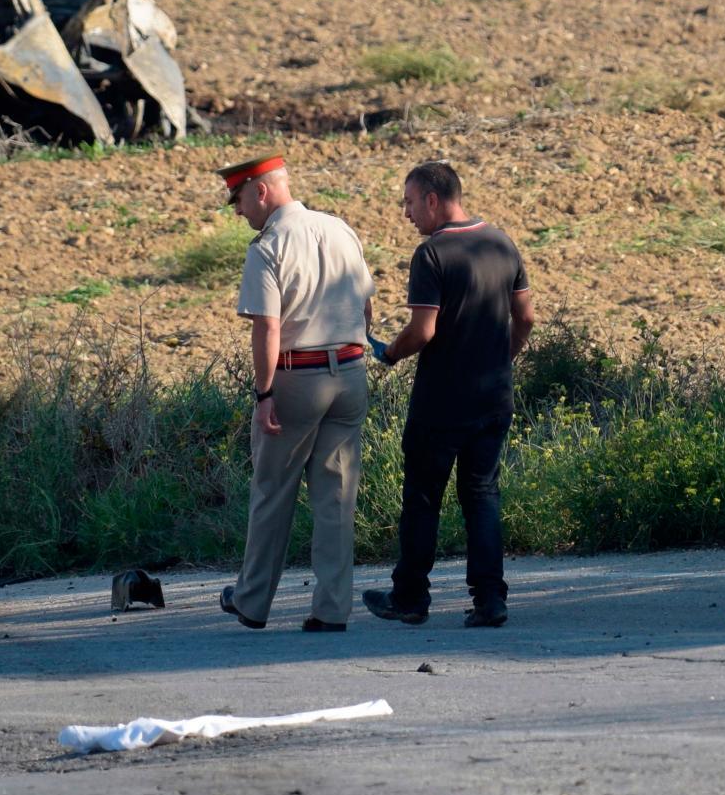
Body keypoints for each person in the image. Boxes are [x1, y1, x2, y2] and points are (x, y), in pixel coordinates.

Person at [363, 162, 533, 628]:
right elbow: (527, 318)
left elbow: (423, 329)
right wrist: (502, 359)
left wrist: (389, 354)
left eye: (410, 202)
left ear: (433, 200)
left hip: (441, 401)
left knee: (422, 497)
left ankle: (410, 597)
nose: (406, 213)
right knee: (482, 493)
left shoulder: (432, 254)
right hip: (494, 397)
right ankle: (490, 600)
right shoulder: (501, 241)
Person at [216, 153, 374, 632]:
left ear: (260, 191)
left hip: (297, 377)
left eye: (239, 199)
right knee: (336, 498)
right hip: (349, 372)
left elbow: (267, 328)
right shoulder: (341, 228)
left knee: (272, 492)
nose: (238, 211)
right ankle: (331, 609)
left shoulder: (267, 247)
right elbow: (367, 306)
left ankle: (251, 601)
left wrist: (264, 395)